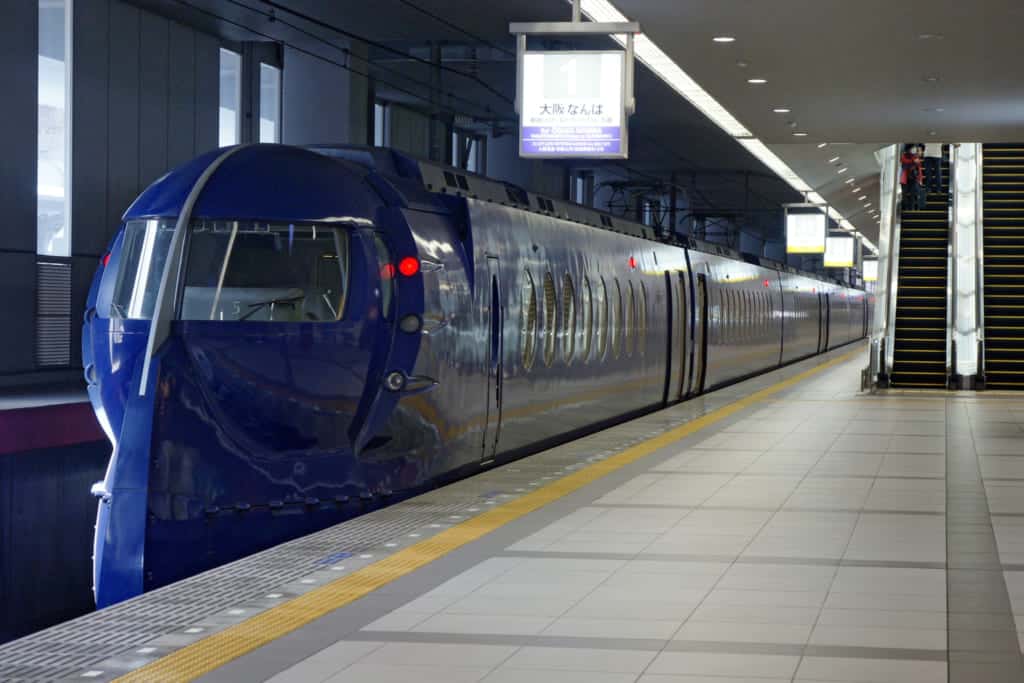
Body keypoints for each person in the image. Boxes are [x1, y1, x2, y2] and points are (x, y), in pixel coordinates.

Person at [900, 144, 924, 211]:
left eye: (914, 149)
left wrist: (920, 179)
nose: (914, 150)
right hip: (905, 178)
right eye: (912, 149)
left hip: (913, 178)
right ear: (909, 149)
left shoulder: (915, 156)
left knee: (913, 194)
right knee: (904, 194)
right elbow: (904, 161)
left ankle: (912, 208)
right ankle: (906, 207)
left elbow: (919, 169)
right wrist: (913, 161)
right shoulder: (904, 156)